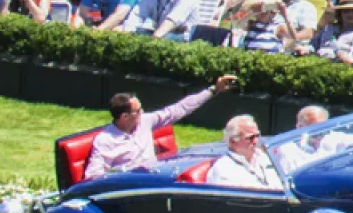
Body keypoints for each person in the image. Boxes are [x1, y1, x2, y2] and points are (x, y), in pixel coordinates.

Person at [84, 75, 241, 180]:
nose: (143, 112)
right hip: (131, 185)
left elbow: (179, 109)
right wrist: (121, 172)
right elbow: (93, 176)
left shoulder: (145, 121)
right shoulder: (106, 140)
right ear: (124, 117)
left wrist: (213, 90)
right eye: (138, 110)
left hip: (155, 177)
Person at [204, 116, 283, 191]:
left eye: (257, 136)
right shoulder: (224, 169)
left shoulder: (265, 157)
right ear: (233, 140)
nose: (256, 141)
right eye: (250, 138)